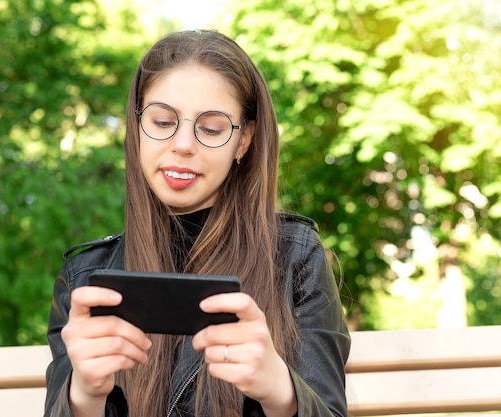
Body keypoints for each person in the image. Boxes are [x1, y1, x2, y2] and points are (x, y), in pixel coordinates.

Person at [44, 30, 350, 417]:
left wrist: (280, 388)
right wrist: (84, 395)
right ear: (137, 127)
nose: (184, 144)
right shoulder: (85, 279)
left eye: (211, 128)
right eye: (161, 120)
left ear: (244, 141)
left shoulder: (296, 259)